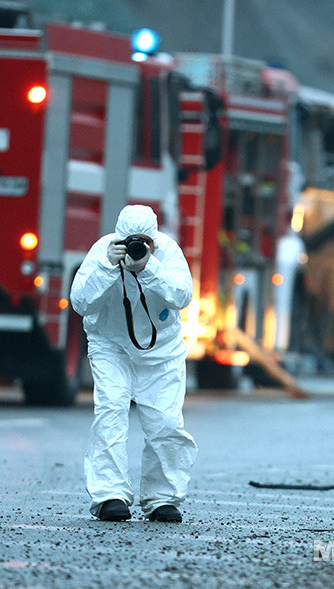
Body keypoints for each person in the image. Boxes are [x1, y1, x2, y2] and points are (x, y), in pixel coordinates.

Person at [70, 204, 197, 523]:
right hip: (111, 346)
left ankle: (161, 497)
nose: (137, 248)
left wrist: (148, 268)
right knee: (111, 412)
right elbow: (81, 303)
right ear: (118, 237)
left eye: (144, 243)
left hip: (162, 352)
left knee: (166, 422)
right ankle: (109, 494)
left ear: (155, 240)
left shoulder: (167, 253)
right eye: (131, 241)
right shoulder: (103, 252)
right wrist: (107, 268)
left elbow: (182, 296)